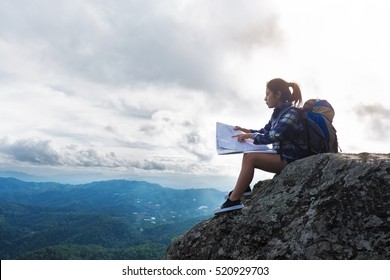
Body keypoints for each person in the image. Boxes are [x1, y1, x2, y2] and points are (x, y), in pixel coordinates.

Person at [214, 78, 307, 214]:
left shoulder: (291, 113)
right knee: (248, 154)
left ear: (278, 94)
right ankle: (244, 189)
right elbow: (264, 131)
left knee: (251, 158)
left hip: (291, 159)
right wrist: (246, 131)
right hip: (281, 155)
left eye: (268, 94)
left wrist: (250, 136)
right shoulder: (278, 113)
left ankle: (233, 201)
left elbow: (274, 136)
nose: (265, 98)